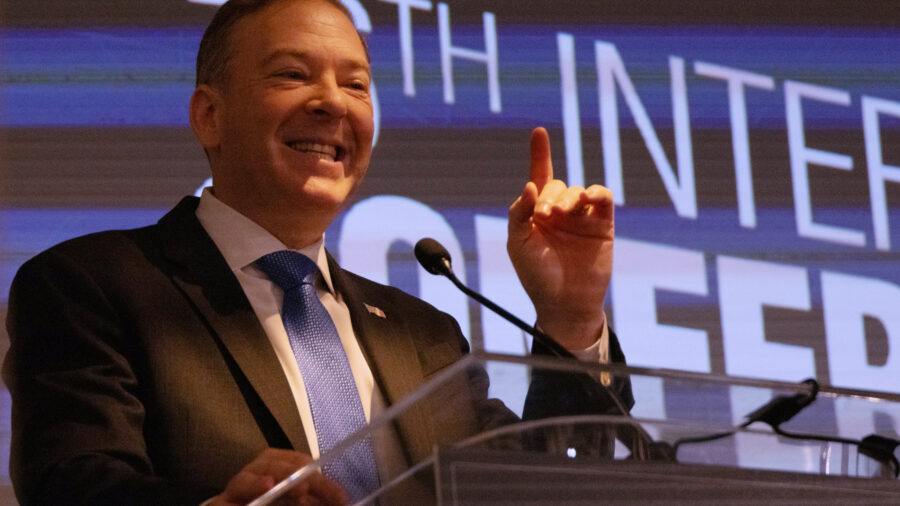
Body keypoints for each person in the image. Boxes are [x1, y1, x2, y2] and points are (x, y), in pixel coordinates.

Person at [3, 0, 631, 504]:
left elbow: (550, 488)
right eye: (292, 75)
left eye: (356, 85)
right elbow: (72, 482)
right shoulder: (89, 286)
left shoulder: (423, 334)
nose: (333, 103)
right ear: (209, 115)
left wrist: (571, 318)